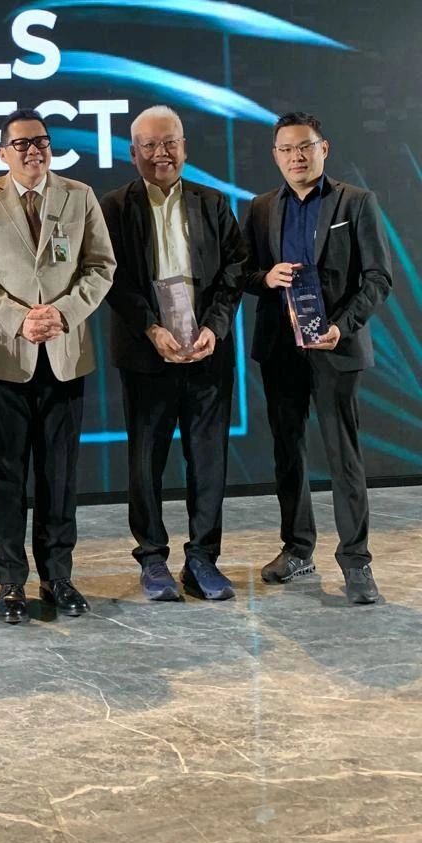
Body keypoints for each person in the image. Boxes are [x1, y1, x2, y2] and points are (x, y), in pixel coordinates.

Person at [0, 109, 115, 624]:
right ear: (2, 152)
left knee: (59, 473)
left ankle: (58, 575)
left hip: (65, 354)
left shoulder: (79, 195)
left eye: (41, 141)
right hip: (6, 355)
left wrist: (63, 314)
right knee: (6, 475)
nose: (33, 151)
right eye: (21, 144)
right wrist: (18, 319)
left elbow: (100, 266)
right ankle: (10, 582)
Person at [243, 112, 392, 605]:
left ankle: (356, 560)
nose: (297, 157)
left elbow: (378, 278)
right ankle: (297, 548)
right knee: (288, 452)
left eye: (305, 147)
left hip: (334, 346)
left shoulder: (356, 202)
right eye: (286, 149)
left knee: (342, 456)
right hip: (280, 348)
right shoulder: (262, 208)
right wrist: (266, 278)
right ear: (275, 156)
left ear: (323, 148)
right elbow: (243, 272)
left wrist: (340, 327)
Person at [100, 106, 247, 603]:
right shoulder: (114, 207)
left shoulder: (213, 201)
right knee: (146, 461)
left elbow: (235, 269)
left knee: (208, 459)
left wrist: (214, 327)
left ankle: (203, 557)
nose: (161, 153)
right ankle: (152, 558)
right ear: (132, 152)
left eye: (170, 143)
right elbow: (110, 277)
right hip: (147, 355)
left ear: (184, 147)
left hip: (207, 352)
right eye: (149, 145)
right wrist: (150, 328)